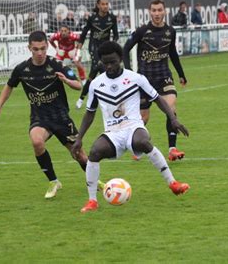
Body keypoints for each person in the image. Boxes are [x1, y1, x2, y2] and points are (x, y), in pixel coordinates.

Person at [72, 41, 190, 213]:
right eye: (105, 63)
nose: (109, 66)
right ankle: (92, 201)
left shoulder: (136, 79)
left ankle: (173, 183)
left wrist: (172, 119)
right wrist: (79, 138)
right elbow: (90, 113)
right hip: (113, 131)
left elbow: (157, 98)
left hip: (134, 126)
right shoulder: (96, 84)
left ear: (120, 58)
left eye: (112, 61)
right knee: (95, 152)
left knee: (143, 142)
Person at [0, 30, 94, 199]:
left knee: (79, 154)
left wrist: (66, 81)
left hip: (61, 118)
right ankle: (53, 181)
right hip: (40, 118)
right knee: (37, 141)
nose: (40, 53)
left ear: (47, 47)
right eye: (36, 49)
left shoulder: (56, 64)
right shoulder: (22, 69)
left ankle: (94, 181)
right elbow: (9, 86)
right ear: (29, 48)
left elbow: (78, 85)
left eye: (43, 48)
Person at [123, 0, 187, 161]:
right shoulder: (142, 31)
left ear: (164, 11)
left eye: (160, 10)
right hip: (145, 80)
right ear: (150, 12)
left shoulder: (170, 31)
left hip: (164, 77)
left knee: (170, 108)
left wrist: (181, 74)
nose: (157, 13)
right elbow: (125, 49)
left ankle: (172, 149)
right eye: (154, 10)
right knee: (143, 118)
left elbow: (172, 53)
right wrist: (129, 72)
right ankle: (135, 144)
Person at [75, 0, 119, 109]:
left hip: (106, 49)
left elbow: (116, 35)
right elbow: (84, 33)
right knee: (102, 68)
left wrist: (113, 45)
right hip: (94, 48)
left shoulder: (112, 18)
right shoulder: (92, 18)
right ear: (98, 5)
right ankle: (110, 99)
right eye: (103, 4)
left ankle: (82, 98)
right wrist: (78, 48)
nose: (105, 6)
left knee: (94, 74)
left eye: (107, 4)